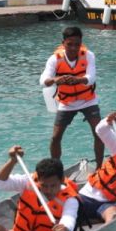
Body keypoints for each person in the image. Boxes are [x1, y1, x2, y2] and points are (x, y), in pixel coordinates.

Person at [0, 147, 80, 231]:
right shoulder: (28, 182)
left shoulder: (70, 199)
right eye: (44, 186)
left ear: (61, 180)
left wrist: (64, 227)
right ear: (38, 179)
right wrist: (12, 161)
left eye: (53, 185)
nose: (49, 190)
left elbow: (69, 217)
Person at [41, 26, 104, 168]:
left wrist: (78, 80)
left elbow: (91, 78)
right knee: (55, 137)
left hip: (88, 100)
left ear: (81, 43)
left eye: (77, 44)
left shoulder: (89, 55)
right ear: (63, 43)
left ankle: (99, 168)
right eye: (70, 44)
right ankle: (56, 169)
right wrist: (56, 80)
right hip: (66, 103)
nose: (74, 48)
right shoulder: (54, 59)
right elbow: (43, 80)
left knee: (99, 132)